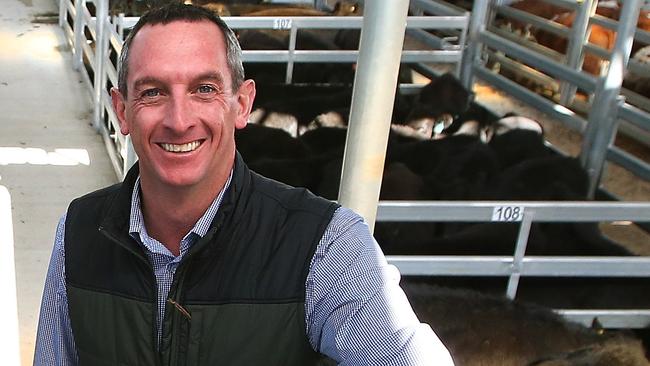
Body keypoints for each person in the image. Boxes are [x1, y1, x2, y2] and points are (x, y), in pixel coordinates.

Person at [34, 3, 454, 365]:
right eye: (153, 92)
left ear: (242, 104)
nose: (179, 121)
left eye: (204, 89)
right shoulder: (79, 233)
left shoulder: (324, 246)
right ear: (122, 111)